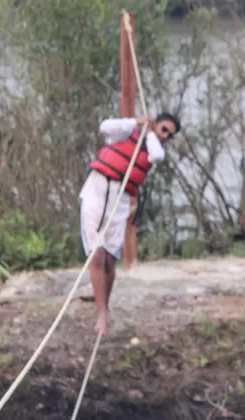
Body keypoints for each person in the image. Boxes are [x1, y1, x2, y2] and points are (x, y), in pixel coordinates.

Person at [80, 112, 181, 335]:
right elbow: (104, 125)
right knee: (96, 254)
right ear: (156, 123)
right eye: (163, 129)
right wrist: (138, 123)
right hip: (97, 190)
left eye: (169, 135)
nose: (165, 136)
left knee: (109, 258)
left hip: (121, 198)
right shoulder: (126, 132)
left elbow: (156, 156)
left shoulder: (154, 146)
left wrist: (151, 134)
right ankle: (101, 313)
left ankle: (106, 306)